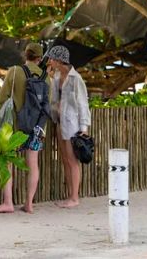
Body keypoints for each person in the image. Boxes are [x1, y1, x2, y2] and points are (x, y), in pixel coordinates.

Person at [0, 42, 48, 214]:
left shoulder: (15, 71)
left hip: (14, 125)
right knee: (33, 164)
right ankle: (29, 203)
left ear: (25, 54)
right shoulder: (46, 76)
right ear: (40, 58)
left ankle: (8, 203)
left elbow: (2, 97)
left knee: (7, 162)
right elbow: (47, 104)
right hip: (36, 127)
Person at [45, 44, 90, 209]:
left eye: (51, 58)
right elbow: (55, 100)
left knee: (72, 161)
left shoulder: (75, 79)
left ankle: (74, 197)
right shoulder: (57, 76)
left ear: (59, 60)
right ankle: (70, 195)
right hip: (59, 121)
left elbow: (83, 104)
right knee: (65, 159)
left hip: (72, 124)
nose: (49, 61)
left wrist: (84, 128)